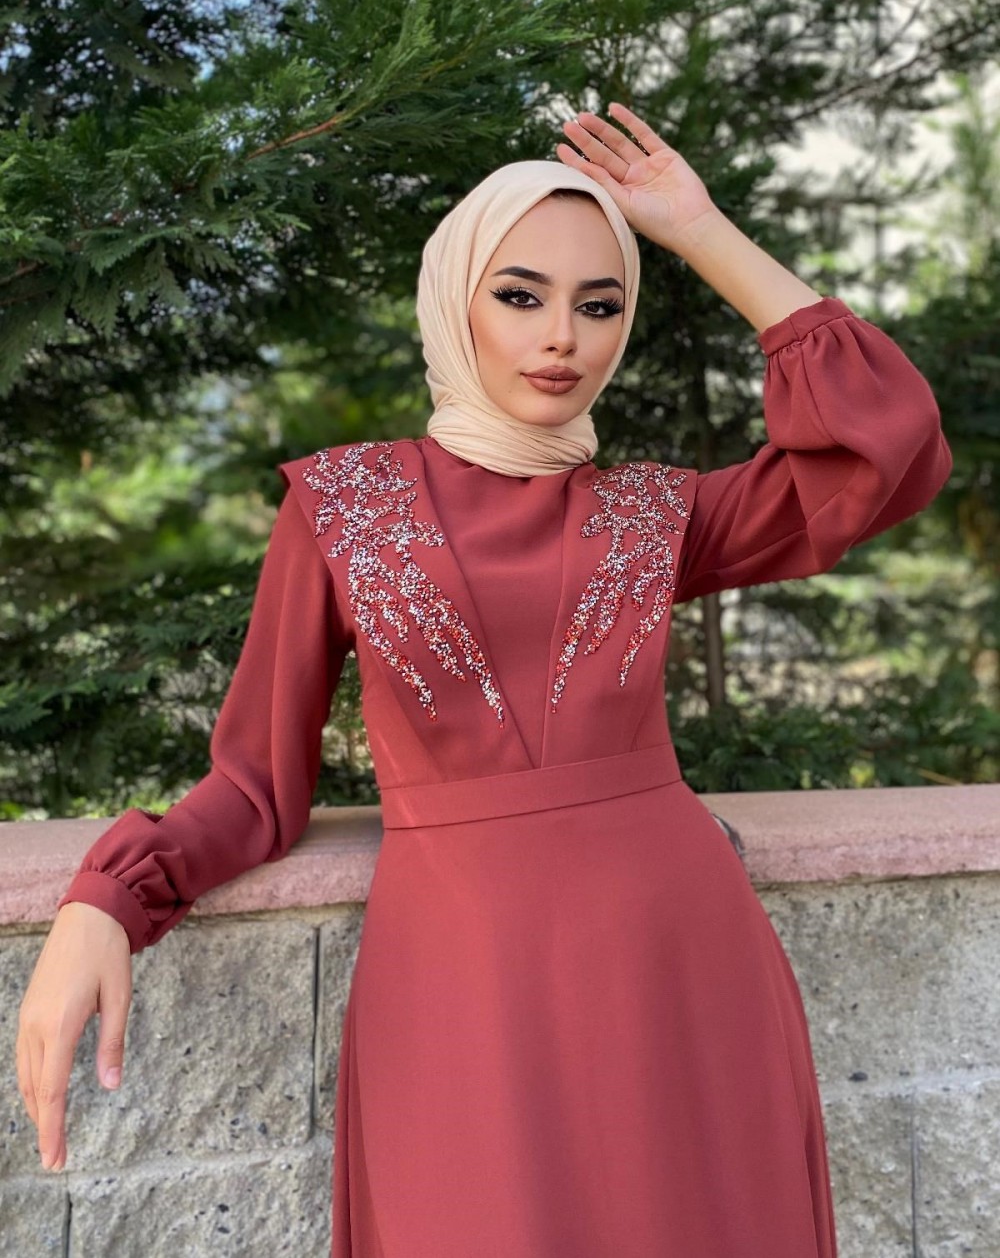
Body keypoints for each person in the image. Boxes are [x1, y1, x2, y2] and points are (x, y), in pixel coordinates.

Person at [17, 103, 952, 1256]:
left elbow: (886, 445)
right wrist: (106, 902)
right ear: (454, 300)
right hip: (460, 993)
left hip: (681, 977)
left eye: (598, 305)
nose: (561, 337)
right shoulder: (343, 508)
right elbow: (256, 788)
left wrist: (698, 232)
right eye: (519, 295)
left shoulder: (655, 517)